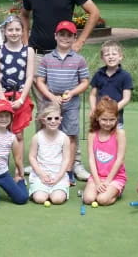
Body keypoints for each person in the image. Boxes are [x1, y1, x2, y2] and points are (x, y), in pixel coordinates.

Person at [20, 0, 98, 181]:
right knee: (45, 110)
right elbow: (24, 15)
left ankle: (74, 164)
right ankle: (42, 162)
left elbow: (94, 13)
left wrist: (81, 41)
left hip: (66, 57)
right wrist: (26, 44)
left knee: (69, 109)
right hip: (39, 56)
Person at [36, 21, 90, 186]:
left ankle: (68, 170)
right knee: (49, 135)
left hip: (71, 102)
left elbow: (85, 82)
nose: (65, 38)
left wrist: (72, 92)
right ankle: (47, 168)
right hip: (51, 102)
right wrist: (51, 96)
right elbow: (40, 81)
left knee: (71, 135)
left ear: (74, 38)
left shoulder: (79, 59)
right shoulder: (47, 58)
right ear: (56, 36)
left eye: (69, 35)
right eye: (62, 34)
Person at [0, 15, 35, 175]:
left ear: (23, 31)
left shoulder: (28, 51)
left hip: (20, 97)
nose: (14, 33)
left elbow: (29, 76)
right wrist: (3, 99)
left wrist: (22, 98)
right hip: (3, 97)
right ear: (4, 31)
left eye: (18, 29)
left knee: (18, 135)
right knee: (0, 133)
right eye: (10, 29)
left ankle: (18, 171)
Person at [83, 97, 127, 206]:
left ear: (117, 118)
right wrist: (97, 182)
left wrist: (107, 182)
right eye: (104, 119)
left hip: (115, 177)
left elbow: (119, 159)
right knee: (88, 199)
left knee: (102, 200)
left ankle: (116, 193)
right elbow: (91, 159)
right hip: (97, 176)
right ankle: (100, 190)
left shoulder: (120, 134)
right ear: (97, 118)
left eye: (112, 119)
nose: (108, 123)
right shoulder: (92, 134)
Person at [28, 104, 71, 205]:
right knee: (40, 199)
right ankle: (42, 190)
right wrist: (41, 174)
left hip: (58, 176)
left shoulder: (64, 138)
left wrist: (58, 177)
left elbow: (66, 159)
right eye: (49, 118)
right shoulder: (37, 137)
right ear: (43, 120)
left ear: (60, 120)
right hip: (41, 175)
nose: (53, 121)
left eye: (56, 118)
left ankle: (56, 191)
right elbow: (32, 157)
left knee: (57, 199)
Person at [89, 40, 133, 128]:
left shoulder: (125, 76)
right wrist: (93, 109)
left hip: (116, 118)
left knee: (116, 140)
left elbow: (126, 98)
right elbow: (92, 95)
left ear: (120, 57)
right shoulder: (98, 74)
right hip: (100, 117)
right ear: (102, 58)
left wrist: (112, 110)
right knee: (99, 139)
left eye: (114, 54)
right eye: (107, 55)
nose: (111, 57)